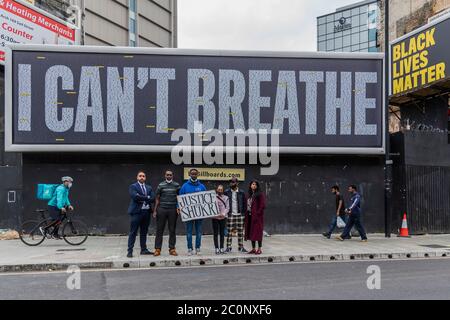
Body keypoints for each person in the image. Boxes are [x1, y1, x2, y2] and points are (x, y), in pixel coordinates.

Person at [127, 171, 155, 258]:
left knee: (144, 232)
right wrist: (147, 197)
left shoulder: (149, 187)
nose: (142, 177)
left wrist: (142, 197)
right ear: (137, 177)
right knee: (133, 232)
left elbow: (153, 198)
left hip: (146, 213)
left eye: (143, 176)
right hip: (136, 212)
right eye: (140, 176)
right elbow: (135, 197)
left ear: (145, 178)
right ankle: (130, 251)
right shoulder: (133, 186)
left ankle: (143, 250)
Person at [178, 168, 207, 255]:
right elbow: (180, 198)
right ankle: (190, 249)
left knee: (199, 232)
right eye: (192, 174)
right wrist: (178, 207)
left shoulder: (202, 186)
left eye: (195, 174)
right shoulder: (184, 186)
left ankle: (198, 248)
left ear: (197, 174)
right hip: (188, 214)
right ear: (189, 174)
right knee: (189, 232)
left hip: (199, 214)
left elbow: (206, 199)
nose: (193, 175)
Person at [153, 170, 180, 257]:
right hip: (162, 209)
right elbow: (157, 198)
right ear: (165, 176)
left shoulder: (176, 185)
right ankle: (157, 249)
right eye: (167, 175)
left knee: (172, 230)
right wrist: (155, 210)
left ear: (172, 176)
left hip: (172, 210)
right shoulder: (161, 185)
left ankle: (172, 249)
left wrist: (178, 207)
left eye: (170, 175)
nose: (169, 176)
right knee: (159, 230)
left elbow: (180, 197)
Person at [224, 177, 247, 253]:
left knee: (240, 232)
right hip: (230, 214)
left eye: (233, 182)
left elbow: (244, 203)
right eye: (230, 182)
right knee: (229, 232)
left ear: (237, 183)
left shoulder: (241, 192)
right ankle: (228, 247)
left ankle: (241, 247)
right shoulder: (227, 192)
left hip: (240, 214)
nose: (231, 183)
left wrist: (243, 213)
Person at [245, 180, 266, 255]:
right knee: (251, 233)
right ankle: (253, 249)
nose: (253, 185)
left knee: (258, 233)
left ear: (257, 186)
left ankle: (259, 249)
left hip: (257, 217)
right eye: (252, 184)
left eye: (255, 184)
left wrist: (257, 214)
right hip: (250, 217)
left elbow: (262, 205)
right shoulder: (249, 195)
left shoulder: (260, 194)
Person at [213, 185, 229, 254]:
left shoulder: (226, 198)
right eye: (218, 189)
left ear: (223, 190)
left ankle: (222, 248)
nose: (220, 191)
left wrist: (223, 214)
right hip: (215, 218)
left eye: (221, 189)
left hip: (223, 217)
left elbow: (227, 208)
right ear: (216, 190)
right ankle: (216, 248)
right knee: (215, 233)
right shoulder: (213, 197)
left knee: (222, 233)